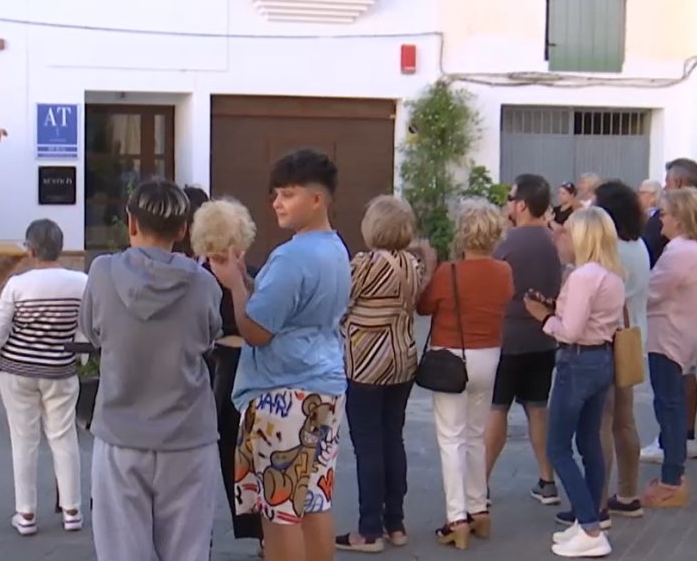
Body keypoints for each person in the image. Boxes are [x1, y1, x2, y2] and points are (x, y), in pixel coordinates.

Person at [209, 148, 350, 561]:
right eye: (276, 194)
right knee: (314, 501)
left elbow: (256, 331)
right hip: (323, 385)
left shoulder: (292, 255)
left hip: (282, 394)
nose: (276, 203)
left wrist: (234, 286)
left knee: (280, 509)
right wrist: (249, 281)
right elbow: (288, 309)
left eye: (287, 194)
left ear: (316, 198)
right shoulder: (334, 248)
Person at [81, 179, 223, 561]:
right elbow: (211, 338)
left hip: (120, 432)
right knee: (189, 551)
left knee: (121, 551)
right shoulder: (204, 284)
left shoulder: (102, 273)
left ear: (130, 223)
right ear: (183, 230)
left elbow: (93, 333)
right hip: (190, 436)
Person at [524, 207, 624, 558]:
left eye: (565, 233)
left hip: (578, 360)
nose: (559, 238)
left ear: (582, 237)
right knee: (589, 442)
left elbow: (570, 330)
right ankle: (589, 520)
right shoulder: (611, 274)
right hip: (601, 359)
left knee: (558, 447)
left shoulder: (583, 276)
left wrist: (545, 317)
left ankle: (591, 527)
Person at [417, 199, 513, 551]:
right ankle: (479, 508)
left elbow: (424, 306)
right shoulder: (503, 271)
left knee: (451, 439)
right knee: (475, 434)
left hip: (451, 357)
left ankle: (457, 517)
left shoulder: (449, 272)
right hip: (489, 354)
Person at [0, 219, 88, 536]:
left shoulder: (17, 285)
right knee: (64, 437)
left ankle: (25, 514)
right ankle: (72, 510)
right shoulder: (81, 282)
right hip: (60, 370)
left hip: (18, 371)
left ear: (30, 250)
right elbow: (85, 328)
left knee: (23, 441)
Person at [335, 196, 428, 553]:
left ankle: (369, 529)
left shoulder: (364, 264)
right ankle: (396, 523)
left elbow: (340, 304)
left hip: (366, 364)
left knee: (368, 446)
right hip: (402, 360)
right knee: (393, 439)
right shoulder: (411, 264)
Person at [177, 185, 264, 554]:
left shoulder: (191, 278)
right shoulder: (257, 275)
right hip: (250, 367)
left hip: (209, 366)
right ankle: (262, 534)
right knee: (247, 458)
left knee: (196, 463)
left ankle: (198, 538)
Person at [486, 174, 563, 507]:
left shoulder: (508, 244)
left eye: (511, 198)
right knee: (537, 409)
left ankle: (480, 483)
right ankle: (548, 480)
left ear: (521, 204)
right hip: (544, 337)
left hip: (508, 337)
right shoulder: (553, 241)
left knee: (497, 409)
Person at [578, 181, 650, 523]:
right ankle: (629, 492)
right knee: (625, 421)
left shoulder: (611, 251)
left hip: (607, 341)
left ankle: (599, 501)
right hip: (633, 338)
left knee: (602, 423)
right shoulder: (639, 247)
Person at [641, 186, 697, 508]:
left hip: (668, 336)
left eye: (664, 213)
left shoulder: (678, 252)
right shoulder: (688, 249)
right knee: (672, 404)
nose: (659, 218)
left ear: (678, 217)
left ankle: (672, 479)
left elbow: (652, 292)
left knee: (669, 406)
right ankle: (672, 474)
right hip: (681, 334)